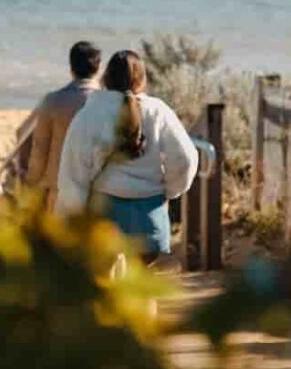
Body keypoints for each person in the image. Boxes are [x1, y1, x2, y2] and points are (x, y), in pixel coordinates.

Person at [56, 50, 199, 262]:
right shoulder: (158, 111)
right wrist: (168, 191)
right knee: (142, 286)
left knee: (106, 288)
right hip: (149, 217)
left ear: (106, 78)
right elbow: (186, 158)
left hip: (104, 219)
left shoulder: (90, 114)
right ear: (142, 78)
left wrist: (70, 220)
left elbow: (73, 172)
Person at [23, 41, 102, 210]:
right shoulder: (108, 104)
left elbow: (40, 148)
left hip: (59, 191)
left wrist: (31, 182)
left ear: (71, 67)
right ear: (98, 68)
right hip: (98, 194)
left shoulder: (54, 101)